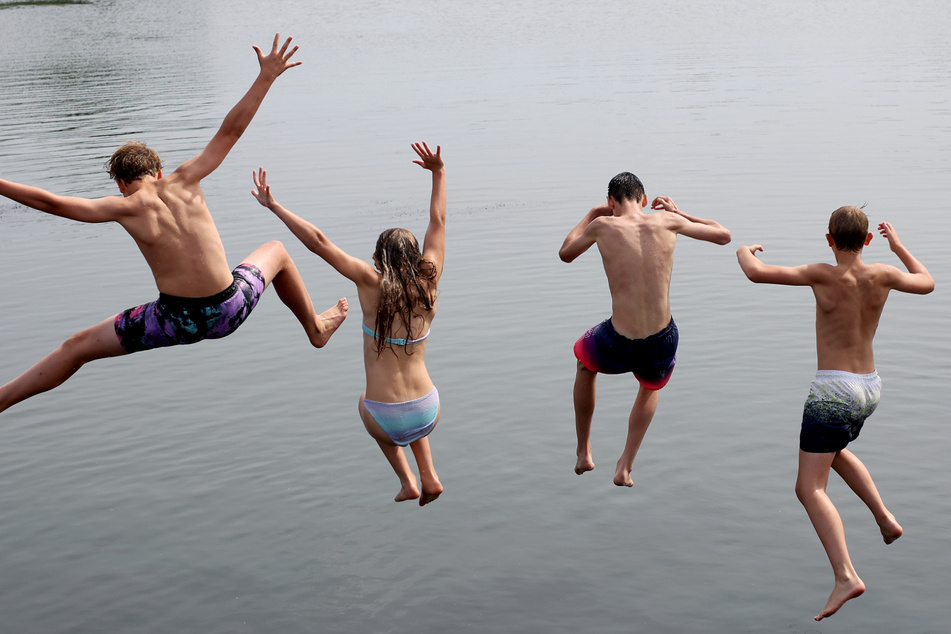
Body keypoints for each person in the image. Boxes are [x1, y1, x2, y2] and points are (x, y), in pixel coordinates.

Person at [0, 34, 348, 415]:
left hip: (173, 321)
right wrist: (265, 77)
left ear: (120, 183)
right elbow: (231, 131)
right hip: (230, 307)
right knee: (277, 252)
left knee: (75, 348)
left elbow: (49, 202)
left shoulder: (123, 207)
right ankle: (315, 327)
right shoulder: (187, 178)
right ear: (159, 170)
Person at [736, 206, 933, 621]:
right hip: (870, 388)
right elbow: (927, 282)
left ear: (829, 240)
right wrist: (898, 247)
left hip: (833, 390)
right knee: (833, 451)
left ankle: (846, 575)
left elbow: (756, 272)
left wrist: (743, 250)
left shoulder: (822, 272)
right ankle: (885, 518)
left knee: (809, 488)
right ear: (867, 240)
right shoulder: (883, 273)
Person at [252, 142, 445, 506]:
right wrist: (439, 172)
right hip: (429, 409)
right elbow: (438, 221)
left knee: (364, 401)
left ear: (376, 260)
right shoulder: (430, 283)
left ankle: (408, 480)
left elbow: (320, 243)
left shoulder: (371, 282)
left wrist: (275, 206)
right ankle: (430, 475)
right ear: (418, 257)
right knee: (407, 406)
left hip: (386, 418)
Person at [559, 173, 732, 487]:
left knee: (584, 363)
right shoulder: (667, 221)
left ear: (611, 203)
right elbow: (724, 235)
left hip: (617, 340)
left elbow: (566, 252)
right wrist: (679, 212)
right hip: (661, 340)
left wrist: (591, 214)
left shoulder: (602, 226)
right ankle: (625, 465)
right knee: (650, 386)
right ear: (643, 199)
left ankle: (584, 450)